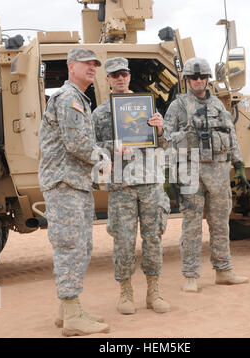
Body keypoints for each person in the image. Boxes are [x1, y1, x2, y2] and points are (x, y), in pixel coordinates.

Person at [163, 57, 250, 293]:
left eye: (203, 77)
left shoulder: (218, 106)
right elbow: (166, 138)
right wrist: (169, 172)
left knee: (220, 223)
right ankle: (190, 276)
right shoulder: (178, 106)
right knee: (192, 226)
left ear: (208, 79)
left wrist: (239, 166)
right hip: (190, 174)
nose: (199, 81)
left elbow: (230, 136)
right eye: (194, 77)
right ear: (187, 80)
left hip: (219, 174)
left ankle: (224, 270)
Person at [38, 48, 110, 336]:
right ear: (71, 66)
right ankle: (71, 314)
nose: (92, 68)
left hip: (74, 183)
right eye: (86, 64)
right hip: (64, 183)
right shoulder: (68, 98)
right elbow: (75, 143)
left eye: (95, 65)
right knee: (71, 246)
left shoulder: (78, 98)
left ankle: (65, 309)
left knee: (81, 246)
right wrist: (103, 158)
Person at [92, 57, 171, 315]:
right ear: (108, 79)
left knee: (153, 239)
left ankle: (153, 291)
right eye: (115, 75)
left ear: (129, 75)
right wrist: (111, 148)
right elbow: (92, 149)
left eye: (124, 74)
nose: (120, 79)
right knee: (124, 242)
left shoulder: (147, 106)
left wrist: (161, 130)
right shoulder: (100, 114)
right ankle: (125, 293)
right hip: (121, 186)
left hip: (149, 182)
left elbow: (167, 144)